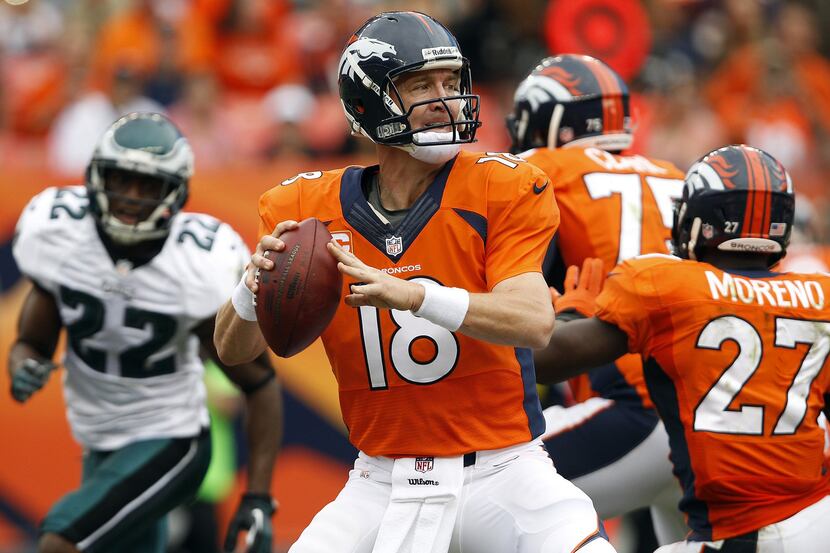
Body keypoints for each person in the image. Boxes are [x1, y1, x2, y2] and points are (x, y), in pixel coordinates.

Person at [215, 11, 616, 553]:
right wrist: (251, 286)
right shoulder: (302, 207)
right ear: (369, 100)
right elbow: (232, 349)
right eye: (421, 85)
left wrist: (415, 294)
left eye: (452, 83)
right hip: (380, 478)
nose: (445, 99)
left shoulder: (502, 185)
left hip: (504, 470)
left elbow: (532, 321)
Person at [8, 112, 282, 553]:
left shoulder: (197, 263)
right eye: (121, 180)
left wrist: (258, 497)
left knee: (61, 539)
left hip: (170, 440)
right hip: (98, 440)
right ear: (96, 176)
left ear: (174, 193)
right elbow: (30, 342)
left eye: (148, 186)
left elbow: (260, 383)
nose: (131, 198)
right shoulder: (58, 233)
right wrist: (24, 366)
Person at [535, 144, 830, 552]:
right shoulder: (821, 294)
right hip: (817, 521)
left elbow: (546, 363)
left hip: (737, 534)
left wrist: (569, 316)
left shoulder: (665, 285)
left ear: (699, 218)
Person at [507, 53, 688, 545]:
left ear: (549, 121)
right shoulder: (679, 177)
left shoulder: (541, 169)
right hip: (705, 419)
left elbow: (508, 319)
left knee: (469, 498)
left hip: (632, 407)